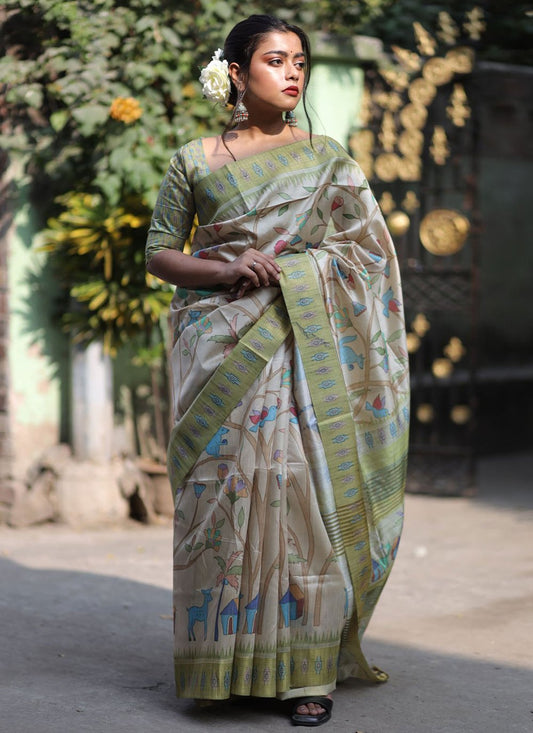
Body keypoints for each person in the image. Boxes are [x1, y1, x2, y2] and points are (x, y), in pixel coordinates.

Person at [146, 14, 409, 727]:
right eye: (274, 60)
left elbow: (365, 256)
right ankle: (218, 667)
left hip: (303, 350)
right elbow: (161, 254)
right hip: (218, 345)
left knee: (301, 499)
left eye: (299, 61)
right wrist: (226, 268)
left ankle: (306, 674)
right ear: (235, 73)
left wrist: (297, 270)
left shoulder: (326, 158)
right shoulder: (193, 160)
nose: (291, 73)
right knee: (220, 497)